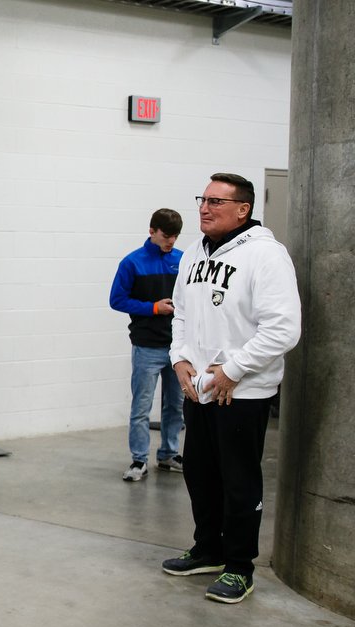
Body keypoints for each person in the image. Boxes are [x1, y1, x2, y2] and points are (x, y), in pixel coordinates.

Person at [161, 173, 301, 603]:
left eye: (216, 202)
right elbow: (180, 313)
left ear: (243, 209)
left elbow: (283, 330)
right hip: (199, 389)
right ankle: (209, 550)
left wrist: (232, 371)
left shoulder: (266, 256)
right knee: (201, 475)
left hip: (242, 393)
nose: (204, 208)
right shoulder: (191, 255)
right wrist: (180, 359)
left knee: (239, 482)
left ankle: (240, 566)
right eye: (202, 199)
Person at [108, 208, 185, 482]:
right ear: (152, 231)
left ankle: (168, 454)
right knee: (141, 407)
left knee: (175, 405)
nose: (171, 242)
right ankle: (139, 460)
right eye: (166, 236)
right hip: (147, 347)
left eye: (175, 236)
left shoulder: (182, 261)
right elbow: (116, 300)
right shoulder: (132, 263)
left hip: (178, 348)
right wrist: (153, 307)